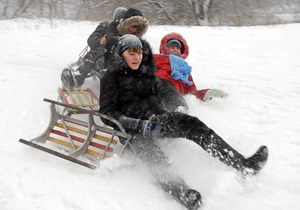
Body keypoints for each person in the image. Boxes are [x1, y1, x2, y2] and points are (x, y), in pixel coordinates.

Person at [99, 34, 269, 209]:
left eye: (139, 53)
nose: (137, 57)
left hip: (157, 118)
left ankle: (244, 164)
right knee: (156, 159)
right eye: (131, 53)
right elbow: (107, 112)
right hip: (131, 131)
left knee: (194, 125)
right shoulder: (110, 79)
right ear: (121, 55)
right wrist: (137, 124)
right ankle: (184, 193)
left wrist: (178, 107)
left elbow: (167, 90)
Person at [61, 7, 149, 89]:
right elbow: (91, 40)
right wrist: (101, 41)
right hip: (101, 57)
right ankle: (78, 77)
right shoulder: (106, 26)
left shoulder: (132, 33)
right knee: (99, 51)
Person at [154, 32, 228, 101]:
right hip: (157, 85)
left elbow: (191, 90)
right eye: (172, 47)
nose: (175, 49)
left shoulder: (184, 67)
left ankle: (179, 109)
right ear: (164, 48)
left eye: (177, 48)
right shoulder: (158, 58)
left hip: (174, 94)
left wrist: (206, 93)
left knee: (177, 103)